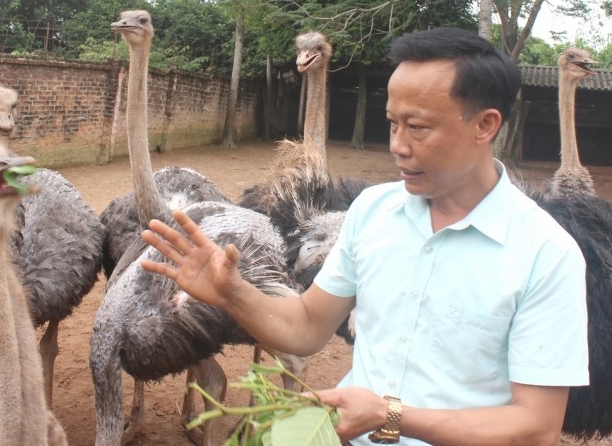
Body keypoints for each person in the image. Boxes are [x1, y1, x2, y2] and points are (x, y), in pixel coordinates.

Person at [140, 27, 589, 446]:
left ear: (485, 125)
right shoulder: (373, 211)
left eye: (417, 127)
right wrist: (233, 293)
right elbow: (309, 326)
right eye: (392, 123)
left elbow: (537, 425)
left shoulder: (546, 253)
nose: (397, 144)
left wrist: (391, 416)